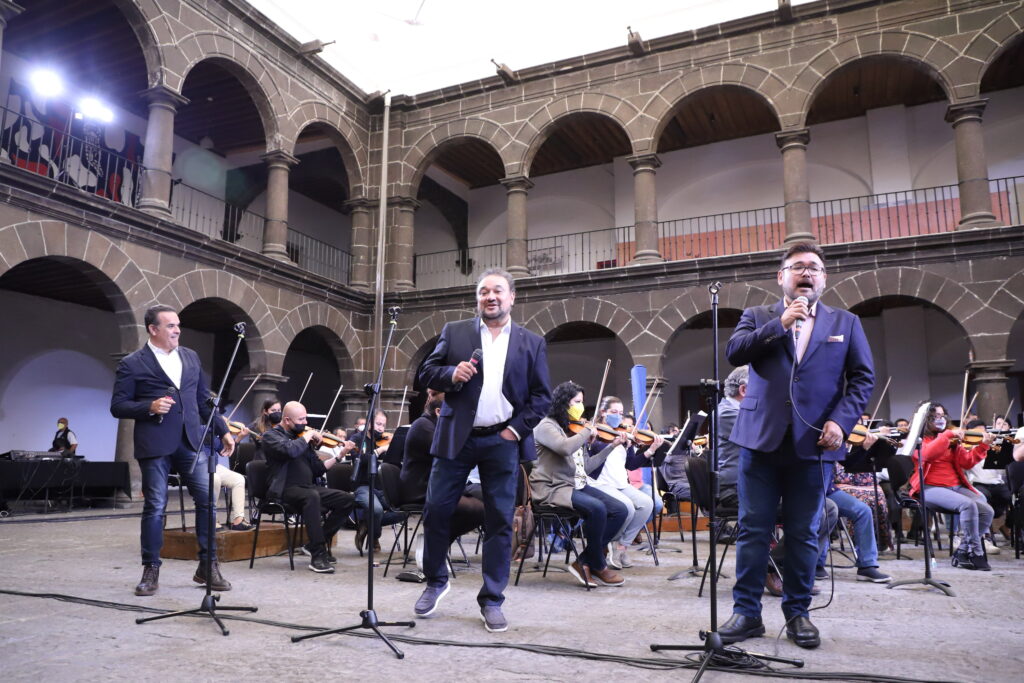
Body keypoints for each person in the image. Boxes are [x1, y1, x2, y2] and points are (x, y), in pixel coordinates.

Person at [719, 242, 874, 650]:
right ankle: (747, 614)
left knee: (805, 532)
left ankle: (798, 614)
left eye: (815, 268)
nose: (807, 273)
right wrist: (780, 324)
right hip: (760, 441)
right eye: (798, 266)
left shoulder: (847, 322)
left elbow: (862, 380)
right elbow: (735, 352)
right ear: (781, 276)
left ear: (824, 278)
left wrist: (841, 423)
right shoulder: (758, 316)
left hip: (816, 444)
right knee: (753, 530)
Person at [413, 267, 552, 634]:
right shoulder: (455, 332)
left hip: (500, 441)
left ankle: (492, 599)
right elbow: (425, 373)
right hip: (456, 436)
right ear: (477, 298)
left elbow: (542, 398)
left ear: (511, 298)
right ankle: (435, 580)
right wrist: (449, 375)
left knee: (500, 522)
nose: (490, 297)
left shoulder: (531, 342)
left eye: (497, 291)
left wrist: (514, 431)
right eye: (483, 291)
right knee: (437, 509)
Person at [110, 304, 235, 597]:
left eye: (178, 325)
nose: (177, 330)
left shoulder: (190, 357)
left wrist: (223, 430)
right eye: (170, 326)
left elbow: (205, 400)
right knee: (155, 505)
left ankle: (208, 566)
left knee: (207, 501)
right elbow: (118, 406)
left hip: (191, 441)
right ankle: (151, 569)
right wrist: (148, 407)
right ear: (153, 329)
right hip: (155, 443)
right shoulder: (132, 363)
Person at [531, 381, 627, 587]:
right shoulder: (547, 426)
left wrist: (611, 446)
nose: (581, 407)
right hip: (552, 488)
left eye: (582, 402)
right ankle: (598, 565)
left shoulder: (573, 429)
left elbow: (588, 467)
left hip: (575, 485)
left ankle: (584, 561)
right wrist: (586, 433)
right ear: (563, 402)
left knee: (620, 510)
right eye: (577, 402)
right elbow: (564, 448)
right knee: (598, 509)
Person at [260, 401, 356, 572]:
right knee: (312, 496)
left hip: (307, 488)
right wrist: (307, 436)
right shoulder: (271, 437)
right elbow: (289, 451)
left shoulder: (301, 438)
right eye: (301, 419)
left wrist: (340, 455)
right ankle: (318, 555)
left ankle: (313, 544)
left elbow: (318, 470)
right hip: (284, 491)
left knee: (347, 499)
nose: (305, 423)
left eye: (306, 419)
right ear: (287, 420)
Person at [401, 392, 486, 555]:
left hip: (438, 485)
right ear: (439, 412)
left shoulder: (434, 426)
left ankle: (438, 543)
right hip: (420, 489)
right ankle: (436, 543)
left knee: (486, 501)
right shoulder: (423, 426)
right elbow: (448, 454)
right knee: (478, 509)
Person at [910, 407, 994, 570]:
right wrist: (947, 435)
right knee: (967, 505)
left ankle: (962, 551)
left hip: (956, 486)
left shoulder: (952, 441)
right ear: (925, 419)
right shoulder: (918, 440)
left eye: (943, 415)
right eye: (935, 416)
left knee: (987, 511)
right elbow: (927, 455)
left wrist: (983, 446)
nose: (940, 419)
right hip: (930, 487)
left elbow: (967, 462)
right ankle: (976, 552)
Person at [587, 398, 664, 569]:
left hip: (621, 483)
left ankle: (621, 547)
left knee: (647, 503)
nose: (618, 416)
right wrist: (614, 443)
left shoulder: (623, 433)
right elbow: (593, 455)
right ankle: (610, 543)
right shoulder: (595, 433)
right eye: (614, 412)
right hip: (601, 483)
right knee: (627, 507)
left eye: (620, 413)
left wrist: (650, 450)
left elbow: (631, 464)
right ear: (603, 412)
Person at [351, 410, 405, 552]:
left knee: (405, 510)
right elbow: (359, 459)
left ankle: (367, 525)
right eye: (378, 424)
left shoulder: (384, 440)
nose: (381, 428)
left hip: (382, 488)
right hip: (363, 486)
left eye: (383, 425)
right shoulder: (358, 439)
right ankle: (374, 537)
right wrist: (379, 451)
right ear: (369, 423)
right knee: (376, 510)